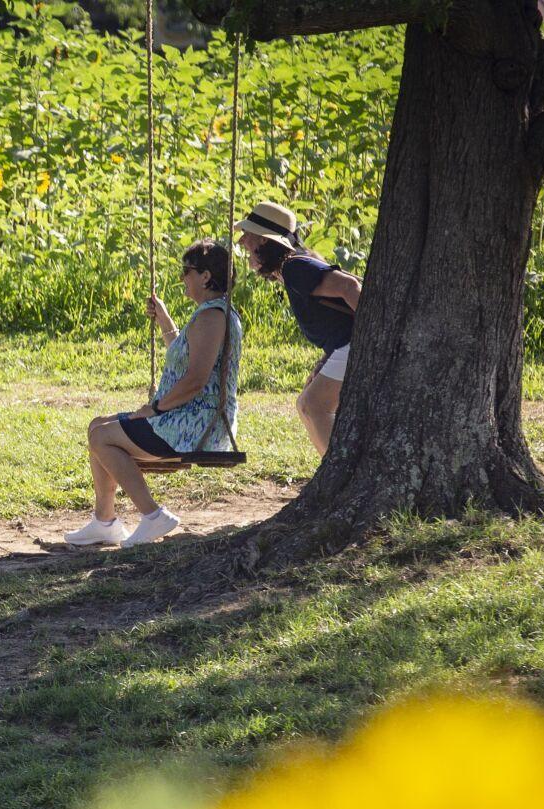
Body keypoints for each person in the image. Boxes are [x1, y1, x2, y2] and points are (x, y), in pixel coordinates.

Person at [65, 240, 244, 549]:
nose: (182, 279)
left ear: (205, 276)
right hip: (184, 415)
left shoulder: (213, 317)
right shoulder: (207, 314)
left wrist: (156, 408)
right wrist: (163, 317)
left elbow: (196, 380)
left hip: (196, 423)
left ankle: (153, 516)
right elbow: (184, 354)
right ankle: (104, 522)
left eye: (186, 271)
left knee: (102, 437)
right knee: (97, 425)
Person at [234, 201, 361, 456]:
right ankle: (331, 470)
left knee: (313, 406)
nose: (242, 241)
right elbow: (336, 318)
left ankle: (337, 470)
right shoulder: (292, 269)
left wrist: (375, 337)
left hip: (356, 343)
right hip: (344, 344)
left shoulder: (295, 267)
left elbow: (350, 288)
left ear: (264, 241)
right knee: (306, 404)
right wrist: (325, 360)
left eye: (247, 236)